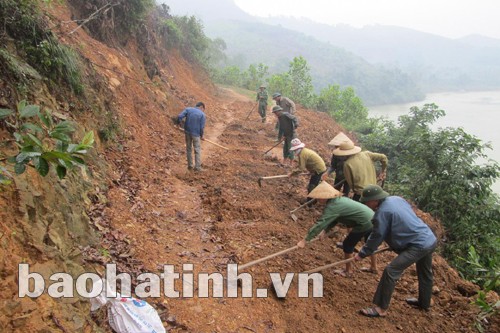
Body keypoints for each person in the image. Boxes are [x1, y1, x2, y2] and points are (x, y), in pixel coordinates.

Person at [354, 184, 438, 318]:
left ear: (375, 200)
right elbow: (403, 220)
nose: (366, 204)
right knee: (425, 272)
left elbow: (377, 236)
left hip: (418, 245)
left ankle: (380, 308)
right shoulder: (396, 199)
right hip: (429, 238)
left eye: (367, 201)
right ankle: (424, 303)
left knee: (391, 271)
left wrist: (362, 253)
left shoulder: (382, 213)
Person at [297, 181, 378, 277]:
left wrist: (305, 240)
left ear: (324, 197)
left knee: (347, 245)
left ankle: (348, 271)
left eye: (318, 197)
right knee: (370, 244)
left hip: (364, 223)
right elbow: (335, 219)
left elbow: (320, 224)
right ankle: (374, 268)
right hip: (373, 218)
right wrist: (324, 231)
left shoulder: (332, 207)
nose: (317, 199)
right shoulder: (338, 200)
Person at [177, 102, 206, 172]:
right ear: (201, 107)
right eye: (203, 109)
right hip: (196, 134)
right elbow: (201, 128)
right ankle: (197, 167)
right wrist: (202, 136)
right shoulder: (202, 114)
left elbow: (180, 116)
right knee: (197, 150)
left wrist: (178, 123)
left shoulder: (188, 109)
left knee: (189, 149)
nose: (203, 111)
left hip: (187, 132)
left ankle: (190, 166)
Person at [322, 132, 352, 196]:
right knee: (335, 191)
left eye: (337, 146)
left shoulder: (351, 154)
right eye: (335, 147)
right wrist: (327, 173)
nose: (336, 148)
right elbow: (333, 166)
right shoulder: (335, 154)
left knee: (345, 193)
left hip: (348, 178)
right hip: (339, 176)